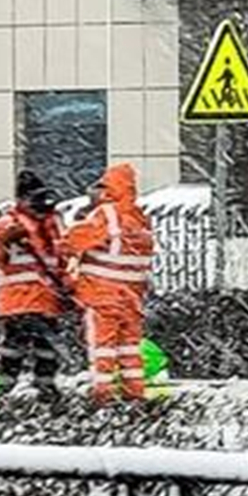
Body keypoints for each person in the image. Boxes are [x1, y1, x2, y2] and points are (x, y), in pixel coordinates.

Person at [61, 162, 156, 404]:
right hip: (131, 297)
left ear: (110, 188)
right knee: (129, 348)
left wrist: (61, 247)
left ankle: (102, 396)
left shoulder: (107, 214)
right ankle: (134, 393)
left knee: (103, 346)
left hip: (103, 294)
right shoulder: (140, 220)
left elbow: (75, 240)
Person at [0, 170, 71, 405]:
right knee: (14, 349)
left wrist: (69, 285)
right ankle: (5, 390)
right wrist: (5, 241)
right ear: (22, 200)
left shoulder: (54, 223)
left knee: (45, 350)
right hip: (18, 300)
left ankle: (45, 388)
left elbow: (65, 257)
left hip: (46, 299)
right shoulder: (8, 223)